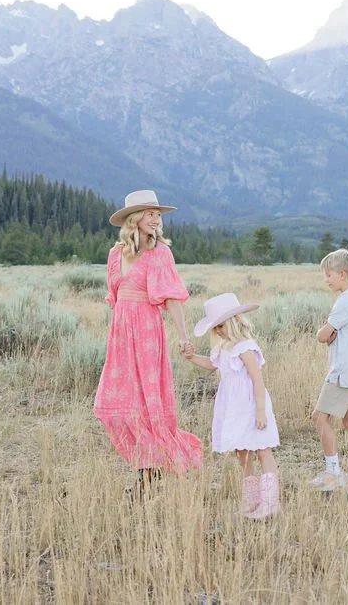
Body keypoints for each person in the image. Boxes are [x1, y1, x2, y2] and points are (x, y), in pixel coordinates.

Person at [94, 190, 201, 498]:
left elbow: (171, 298)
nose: (156, 219)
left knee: (145, 407)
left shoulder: (161, 253)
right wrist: (119, 331)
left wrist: (183, 335)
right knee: (116, 409)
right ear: (135, 218)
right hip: (121, 335)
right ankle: (147, 469)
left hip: (148, 333)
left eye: (158, 214)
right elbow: (115, 299)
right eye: (150, 213)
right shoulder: (116, 254)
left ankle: (147, 478)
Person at [183, 293, 281, 519]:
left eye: (220, 326)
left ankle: (270, 502)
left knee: (261, 449)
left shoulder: (245, 347)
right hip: (233, 406)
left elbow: (257, 378)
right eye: (215, 328)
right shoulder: (224, 347)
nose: (218, 331)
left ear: (234, 321)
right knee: (242, 452)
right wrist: (191, 357)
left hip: (250, 404)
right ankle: (251, 501)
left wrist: (260, 410)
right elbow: (211, 365)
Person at [311, 249, 348, 493]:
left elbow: (324, 335)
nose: (326, 279)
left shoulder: (345, 302)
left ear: (342, 274)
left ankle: (333, 472)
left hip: (342, 372)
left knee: (320, 417)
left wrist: (324, 331)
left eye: (329, 274)